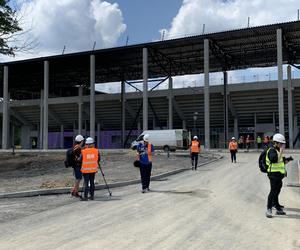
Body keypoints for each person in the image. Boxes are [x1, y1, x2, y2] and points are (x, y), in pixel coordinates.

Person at [265, 133, 291, 218]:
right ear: (275, 142)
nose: (282, 145)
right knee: (273, 191)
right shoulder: (271, 150)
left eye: (282, 144)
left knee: (277, 190)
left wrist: (287, 160)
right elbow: (274, 160)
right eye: (280, 143)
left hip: (279, 174)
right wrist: (281, 151)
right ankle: (269, 208)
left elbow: (280, 161)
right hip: (273, 174)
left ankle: (277, 206)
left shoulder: (277, 149)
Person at [80, 137, 100, 201]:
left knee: (86, 183)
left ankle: (85, 197)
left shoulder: (83, 151)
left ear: (87, 144)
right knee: (92, 183)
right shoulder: (96, 151)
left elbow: (80, 160)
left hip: (86, 170)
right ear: (92, 144)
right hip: (93, 170)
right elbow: (99, 159)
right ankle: (92, 196)